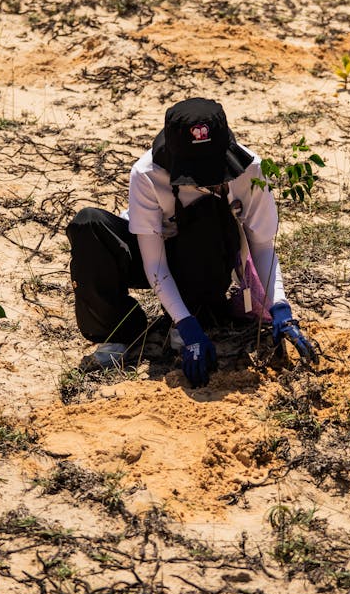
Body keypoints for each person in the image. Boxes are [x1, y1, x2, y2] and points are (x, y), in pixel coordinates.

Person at [66, 97, 318, 388]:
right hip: (156, 252)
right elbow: (155, 262)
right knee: (88, 225)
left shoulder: (250, 170)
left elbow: (262, 244)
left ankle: (195, 311)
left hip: (206, 256)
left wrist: (280, 308)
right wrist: (187, 325)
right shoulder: (146, 174)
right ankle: (120, 332)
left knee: (207, 212)